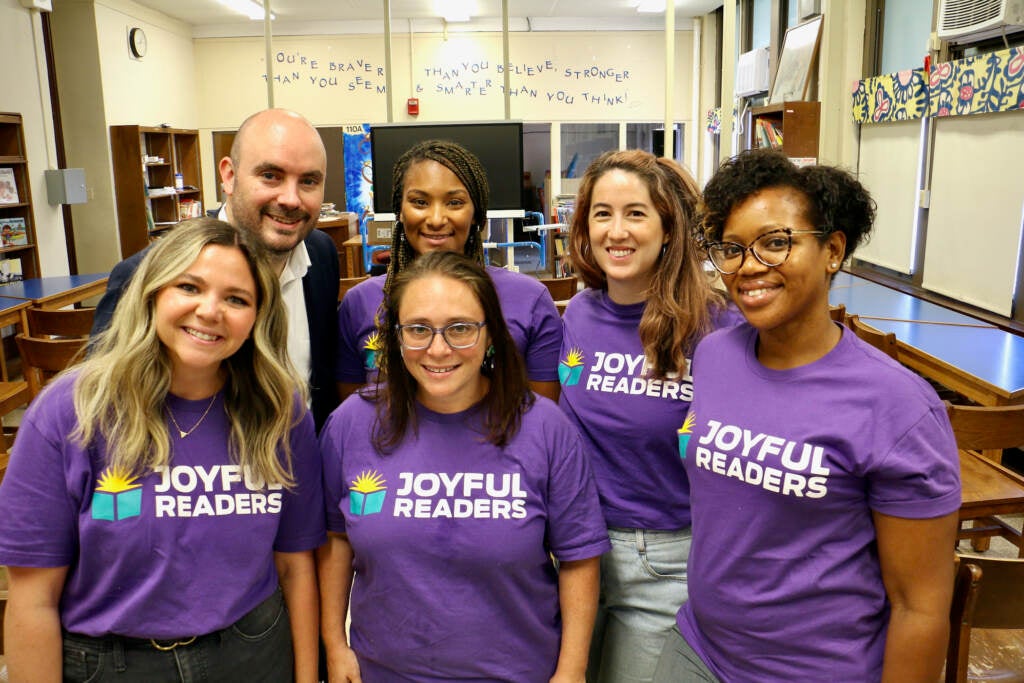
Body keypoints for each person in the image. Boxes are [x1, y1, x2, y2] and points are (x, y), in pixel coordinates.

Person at [654, 149, 961, 682]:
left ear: (833, 250)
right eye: (731, 249)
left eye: (776, 243)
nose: (748, 266)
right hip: (699, 649)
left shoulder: (898, 406)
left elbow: (920, 607)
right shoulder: (714, 356)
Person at [0, 218, 325, 682]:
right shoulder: (70, 412)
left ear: (258, 317)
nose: (210, 310)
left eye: (237, 299)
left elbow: (296, 566)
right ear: (152, 292)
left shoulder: (279, 410)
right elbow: (32, 600)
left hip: (252, 652)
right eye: (189, 286)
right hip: (109, 663)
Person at [319, 251, 610, 682]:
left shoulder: (545, 428)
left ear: (491, 333)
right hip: (383, 671)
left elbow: (579, 558)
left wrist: (571, 671)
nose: (438, 349)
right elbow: (335, 541)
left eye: (460, 329)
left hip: (518, 671)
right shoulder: (351, 424)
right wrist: (334, 645)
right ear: (395, 337)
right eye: (418, 329)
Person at [557, 149, 736, 683]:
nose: (617, 231)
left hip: (665, 560)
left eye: (636, 213)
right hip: (573, 551)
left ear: (668, 227)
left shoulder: (716, 326)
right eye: (602, 213)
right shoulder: (579, 313)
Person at [92, 108, 340, 430]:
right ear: (229, 176)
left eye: (308, 181)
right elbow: (104, 410)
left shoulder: (320, 256)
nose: (291, 199)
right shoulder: (147, 274)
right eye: (270, 176)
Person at [335, 139, 562, 402]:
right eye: (419, 202)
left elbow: (542, 418)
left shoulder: (530, 300)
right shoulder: (360, 303)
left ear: (477, 213)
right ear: (399, 211)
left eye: (454, 203)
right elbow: (354, 417)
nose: (436, 219)